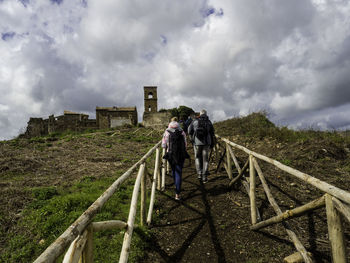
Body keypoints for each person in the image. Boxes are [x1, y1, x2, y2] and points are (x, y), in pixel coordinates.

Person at [162, 117, 189, 200]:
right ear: (177, 123)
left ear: (170, 123)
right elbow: (185, 144)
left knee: (173, 170)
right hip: (181, 155)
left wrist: (165, 149)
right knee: (179, 172)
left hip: (171, 154)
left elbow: (163, 144)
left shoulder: (167, 131)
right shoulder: (182, 131)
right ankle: (177, 194)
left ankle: (176, 185)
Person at [188, 109, 215, 183]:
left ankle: (199, 173)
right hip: (206, 143)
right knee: (205, 159)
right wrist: (212, 142)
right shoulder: (209, 122)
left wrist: (192, 139)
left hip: (197, 143)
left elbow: (189, 131)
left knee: (197, 157)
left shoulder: (195, 121)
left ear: (200, 114)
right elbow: (212, 133)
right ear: (206, 114)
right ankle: (204, 177)